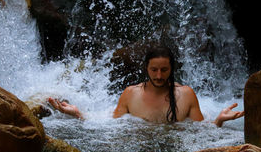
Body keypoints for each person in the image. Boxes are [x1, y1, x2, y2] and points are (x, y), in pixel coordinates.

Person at [48, 45, 244, 127]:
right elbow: (108, 125)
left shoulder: (185, 95)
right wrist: (78, 114)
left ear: (172, 69)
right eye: (154, 70)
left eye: (164, 70)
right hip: (139, 150)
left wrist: (219, 120)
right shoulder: (130, 94)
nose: (159, 76)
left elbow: (201, 132)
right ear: (146, 68)